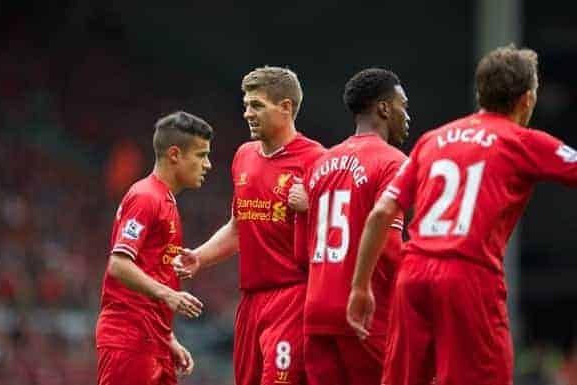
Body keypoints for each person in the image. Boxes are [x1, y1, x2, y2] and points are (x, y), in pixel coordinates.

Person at [347, 44, 577, 385]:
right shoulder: (522, 140)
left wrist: (359, 287)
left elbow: (381, 213)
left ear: (480, 92)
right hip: (468, 275)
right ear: (527, 99)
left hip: (413, 277)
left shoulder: (431, 140)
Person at [174, 66, 325, 385]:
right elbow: (238, 227)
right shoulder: (244, 156)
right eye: (246, 105)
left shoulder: (317, 160)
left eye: (257, 105)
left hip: (292, 298)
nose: (247, 113)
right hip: (250, 304)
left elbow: (342, 234)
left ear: (286, 108)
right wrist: (199, 257)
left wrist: (313, 207)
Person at [296, 68, 409, 385]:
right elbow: (388, 248)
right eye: (403, 105)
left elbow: (300, 254)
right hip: (368, 315)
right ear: (384, 108)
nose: (407, 115)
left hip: (317, 313)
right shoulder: (393, 162)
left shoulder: (318, 166)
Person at [95, 111, 212, 385]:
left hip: (153, 340)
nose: (207, 164)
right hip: (129, 339)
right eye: (200, 155)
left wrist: (167, 337)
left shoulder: (166, 201)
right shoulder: (145, 197)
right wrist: (169, 295)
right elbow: (119, 265)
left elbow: (151, 270)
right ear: (174, 154)